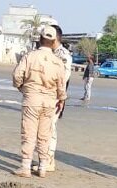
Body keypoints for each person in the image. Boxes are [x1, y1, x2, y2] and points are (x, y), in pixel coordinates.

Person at [12, 26, 67, 178]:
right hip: (50, 101)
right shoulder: (58, 61)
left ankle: (25, 166)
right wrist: (61, 100)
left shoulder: (30, 56)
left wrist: (22, 88)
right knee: (45, 135)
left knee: (29, 134)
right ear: (54, 41)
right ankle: (42, 166)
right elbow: (61, 85)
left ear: (40, 39)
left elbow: (17, 76)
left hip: (32, 99)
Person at [43, 24, 72, 173]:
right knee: (43, 129)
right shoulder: (47, 52)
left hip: (55, 97)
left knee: (50, 129)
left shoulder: (63, 55)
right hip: (44, 96)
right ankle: (45, 159)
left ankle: (49, 161)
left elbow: (63, 78)